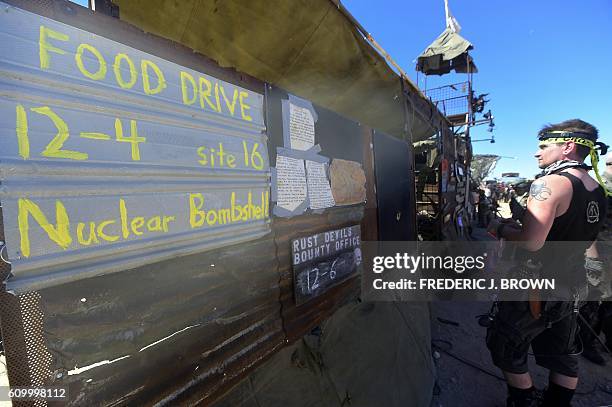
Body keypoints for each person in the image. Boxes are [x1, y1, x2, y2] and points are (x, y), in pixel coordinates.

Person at [486, 119, 608, 407]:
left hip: (535, 287)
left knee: (505, 346)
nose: (536, 153)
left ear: (567, 146)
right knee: (562, 354)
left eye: (543, 146)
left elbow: (531, 242)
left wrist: (500, 228)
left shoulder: (548, 184)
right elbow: (589, 242)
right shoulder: (598, 190)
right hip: (572, 286)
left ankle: (523, 401)